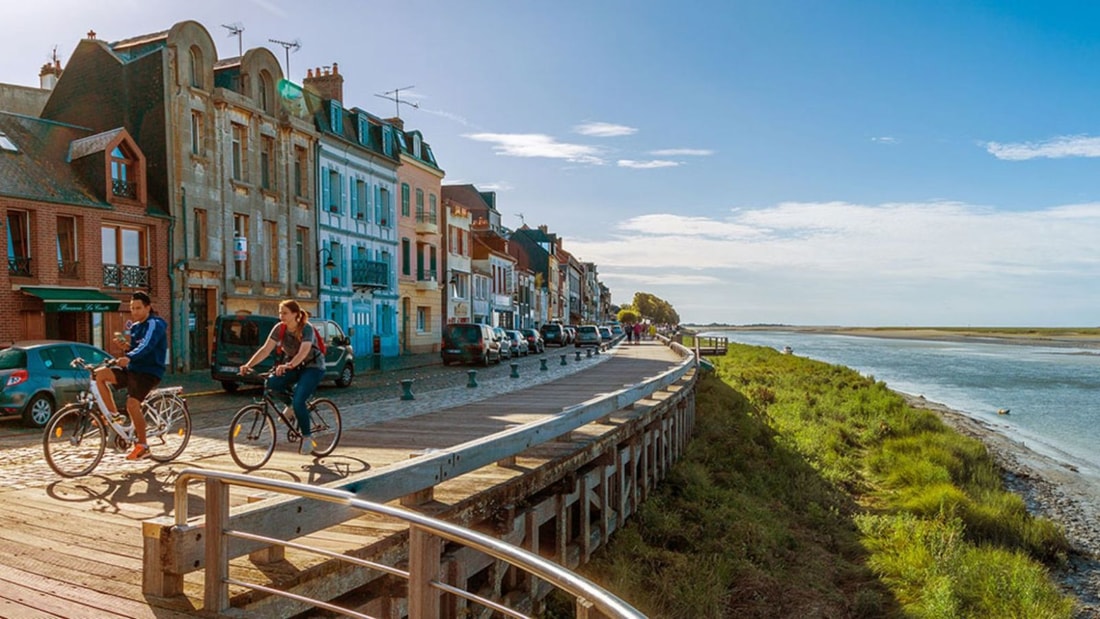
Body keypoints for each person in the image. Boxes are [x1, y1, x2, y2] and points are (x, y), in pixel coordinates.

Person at [239, 300, 325, 455]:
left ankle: (306, 438)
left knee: (300, 398)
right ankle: (291, 406)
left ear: (295, 314)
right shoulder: (279, 328)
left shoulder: (306, 328)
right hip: (294, 365)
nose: (281, 316)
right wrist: (248, 364)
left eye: (284, 313)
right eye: (280, 313)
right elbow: (265, 349)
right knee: (272, 382)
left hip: (313, 367)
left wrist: (288, 365)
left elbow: (304, 351)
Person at [95, 291, 168, 460]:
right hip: (134, 369)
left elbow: (147, 346)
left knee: (132, 404)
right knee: (99, 375)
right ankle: (114, 416)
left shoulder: (154, 324)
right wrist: (126, 347)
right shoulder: (135, 327)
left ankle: (143, 445)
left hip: (149, 371)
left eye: (138, 308)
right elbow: (136, 348)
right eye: (132, 308)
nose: (134, 312)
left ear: (148, 308)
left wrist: (129, 356)